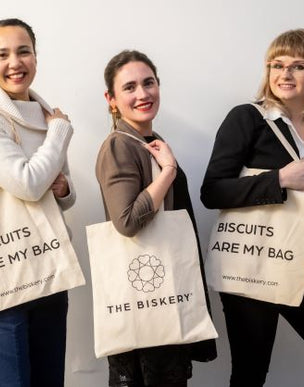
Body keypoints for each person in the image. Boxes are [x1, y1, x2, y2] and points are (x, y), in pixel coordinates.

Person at [200, 29, 304, 387]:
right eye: (277, 65)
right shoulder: (247, 118)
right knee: (250, 375)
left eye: (298, 65)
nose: (285, 74)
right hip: (252, 263)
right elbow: (212, 191)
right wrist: (278, 180)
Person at [0, 18, 75, 387]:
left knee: (48, 379)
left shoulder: (45, 114)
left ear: (36, 56)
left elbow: (60, 195)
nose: (15, 62)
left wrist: (64, 190)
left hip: (49, 267)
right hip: (1, 274)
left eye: (23, 51)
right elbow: (27, 184)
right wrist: (59, 132)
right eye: (2, 54)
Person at [96, 50, 217, 387]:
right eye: (130, 87)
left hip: (162, 289)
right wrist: (168, 173)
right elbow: (127, 222)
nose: (142, 94)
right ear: (112, 99)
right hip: (145, 294)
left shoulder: (150, 141)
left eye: (149, 83)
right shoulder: (120, 146)